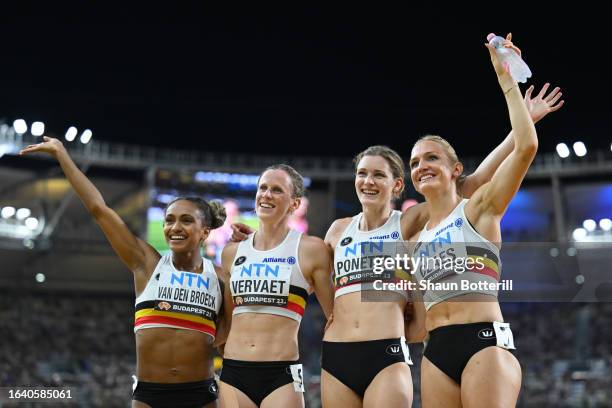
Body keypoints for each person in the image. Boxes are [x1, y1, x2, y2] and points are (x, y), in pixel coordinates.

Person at [20, 136, 227, 408]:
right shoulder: (146, 263)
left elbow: (230, 343)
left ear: (205, 232)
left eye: (186, 220)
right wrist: (62, 156)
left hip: (202, 394)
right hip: (150, 395)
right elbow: (99, 209)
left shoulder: (222, 278)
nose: (175, 227)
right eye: (169, 220)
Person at [404, 34, 545, 407]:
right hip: (435, 353)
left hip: (484, 341)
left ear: (455, 170)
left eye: (431, 159)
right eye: (415, 163)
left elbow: (526, 147)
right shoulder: (416, 234)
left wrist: (506, 80)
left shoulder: (478, 209)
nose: (421, 167)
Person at [218, 164, 334, 408]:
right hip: (233, 372)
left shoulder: (312, 250)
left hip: (283, 374)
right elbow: (227, 320)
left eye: (277, 190)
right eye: (263, 188)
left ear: (294, 203)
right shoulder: (231, 253)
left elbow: (336, 316)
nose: (266, 194)